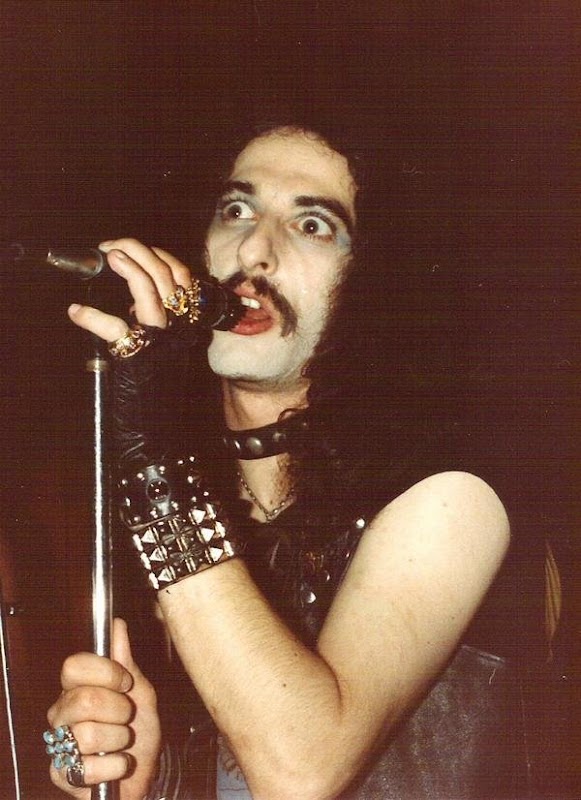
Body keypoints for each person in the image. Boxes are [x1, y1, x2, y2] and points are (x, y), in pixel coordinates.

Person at [45, 124, 518, 800]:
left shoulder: (450, 493)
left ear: (376, 279)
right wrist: (137, 779)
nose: (252, 251)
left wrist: (153, 459)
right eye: (237, 210)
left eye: (312, 225)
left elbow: (301, 769)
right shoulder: (178, 493)